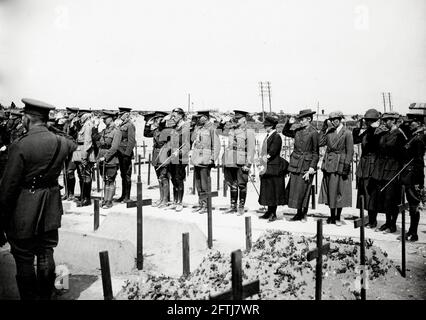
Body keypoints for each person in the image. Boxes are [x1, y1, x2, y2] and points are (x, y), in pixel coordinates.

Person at [0, 98, 77, 300]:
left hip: (24, 208)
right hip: (51, 205)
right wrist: (53, 128)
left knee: (24, 257)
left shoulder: (20, 145)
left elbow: (7, 188)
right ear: (46, 119)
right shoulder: (62, 142)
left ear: (26, 118)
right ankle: (46, 296)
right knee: (46, 252)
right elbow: (72, 140)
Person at [368, 112, 406, 233]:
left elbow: (402, 155)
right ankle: (387, 222)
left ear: (393, 121)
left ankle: (392, 224)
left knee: (392, 198)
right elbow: (376, 147)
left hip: (393, 169)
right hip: (382, 170)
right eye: (384, 120)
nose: (385, 122)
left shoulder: (399, 135)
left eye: (387, 120)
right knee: (384, 198)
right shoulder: (384, 133)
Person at [282, 109, 319, 221]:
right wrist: (289, 123)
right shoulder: (298, 130)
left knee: (304, 190)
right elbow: (285, 132)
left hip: (306, 165)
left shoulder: (313, 133)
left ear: (309, 119)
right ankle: (298, 213)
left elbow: (316, 153)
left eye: (302, 119)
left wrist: (312, 167)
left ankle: (304, 213)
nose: (300, 122)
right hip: (296, 163)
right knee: (295, 189)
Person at [318, 111, 354, 226]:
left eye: (336, 119)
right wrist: (323, 129)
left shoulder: (347, 133)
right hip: (330, 164)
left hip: (341, 164)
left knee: (340, 191)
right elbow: (320, 142)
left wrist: (347, 165)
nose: (334, 121)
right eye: (332, 120)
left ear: (341, 119)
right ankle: (332, 216)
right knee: (331, 190)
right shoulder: (329, 132)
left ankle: (338, 217)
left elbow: (350, 151)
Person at [221, 110, 256, 215]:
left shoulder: (248, 132)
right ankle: (232, 206)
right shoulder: (232, 130)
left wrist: (248, 164)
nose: (236, 120)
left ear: (244, 119)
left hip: (241, 161)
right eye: (235, 118)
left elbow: (251, 149)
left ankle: (241, 207)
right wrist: (222, 123)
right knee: (232, 184)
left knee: (242, 184)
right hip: (230, 160)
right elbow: (219, 131)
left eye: (238, 118)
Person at [352, 108, 381, 228]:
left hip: (373, 164)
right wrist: (358, 127)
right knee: (364, 192)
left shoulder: (378, 132)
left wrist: (374, 128)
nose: (367, 123)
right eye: (367, 121)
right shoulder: (368, 131)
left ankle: (373, 220)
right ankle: (368, 218)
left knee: (371, 193)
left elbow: (376, 144)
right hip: (364, 164)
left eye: (369, 121)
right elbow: (355, 140)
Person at [398, 113, 425, 241]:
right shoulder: (414, 136)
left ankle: (413, 233)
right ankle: (411, 231)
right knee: (411, 205)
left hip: (413, 177)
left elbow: (419, 162)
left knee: (414, 205)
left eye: (412, 122)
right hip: (408, 175)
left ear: (418, 123)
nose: (409, 124)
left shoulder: (419, 139)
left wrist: (419, 182)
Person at [258, 114, 288, 222]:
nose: (265, 127)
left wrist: (263, 159)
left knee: (273, 191)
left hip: (274, 167)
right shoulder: (268, 136)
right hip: (267, 167)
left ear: (271, 126)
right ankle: (269, 211)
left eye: (266, 126)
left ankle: (273, 213)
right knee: (267, 190)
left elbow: (273, 152)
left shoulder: (276, 137)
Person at [191, 111, 221, 214]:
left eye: (200, 117)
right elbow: (192, 140)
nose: (198, 119)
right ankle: (201, 203)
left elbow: (217, 145)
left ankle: (206, 204)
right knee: (198, 184)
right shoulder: (198, 128)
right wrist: (194, 126)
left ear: (205, 117)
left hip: (205, 159)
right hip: (197, 159)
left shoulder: (212, 128)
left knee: (204, 184)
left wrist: (212, 158)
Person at [95, 110, 122, 209]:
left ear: (111, 118)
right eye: (103, 118)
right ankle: (105, 200)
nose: (103, 120)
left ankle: (109, 201)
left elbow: (114, 147)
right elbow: (97, 140)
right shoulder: (105, 130)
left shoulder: (117, 131)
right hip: (101, 158)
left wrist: (105, 157)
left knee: (110, 180)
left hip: (112, 159)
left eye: (105, 118)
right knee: (105, 180)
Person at [143, 111, 171, 207]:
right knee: (159, 178)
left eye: (159, 119)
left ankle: (165, 200)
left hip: (164, 155)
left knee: (164, 177)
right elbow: (146, 134)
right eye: (156, 119)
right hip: (156, 154)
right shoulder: (156, 130)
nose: (157, 121)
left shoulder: (167, 130)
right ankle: (161, 198)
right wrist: (147, 124)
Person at [167, 107, 191, 212]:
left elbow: (187, 144)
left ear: (181, 115)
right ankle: (175, 200)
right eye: (172, 116)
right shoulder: (174, 126)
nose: (173, 117)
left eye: (175, 116)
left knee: (178, 179)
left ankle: (180, 202)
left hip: (181, 158)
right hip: (172, 156)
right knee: (172, 178)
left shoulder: (185, 127)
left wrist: (180, 152)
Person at [71, 109, 96, 207]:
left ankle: (86, 198)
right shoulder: (83, 124)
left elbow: (88, 142)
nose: (80, 117)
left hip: (85, 152)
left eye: (81, 115)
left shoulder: (88, 125)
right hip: (79, 150)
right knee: (81, 175)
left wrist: (84, 157)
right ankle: (82, 195)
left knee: (85, 175)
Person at [115, 107, 136, 203]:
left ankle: (127, 197)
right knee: (123, 174)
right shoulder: (121, 125)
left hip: (125, 153)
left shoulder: (130, 125)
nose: (119, 115)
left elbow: (131, 141)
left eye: (121, 114)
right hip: (120, 152)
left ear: (127, 114)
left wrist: (127, 154)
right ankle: (123, 195)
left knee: (127, 175)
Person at [61, 107, 80, 200]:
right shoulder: (66, 123)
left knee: (70, 171)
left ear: (74, 114)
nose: (68, 115)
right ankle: (67, 192)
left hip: (74, 151)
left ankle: (72, 193)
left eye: (70, 114)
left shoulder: (77, 124)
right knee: (65, 172)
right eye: (67, 114)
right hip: (66, 150)